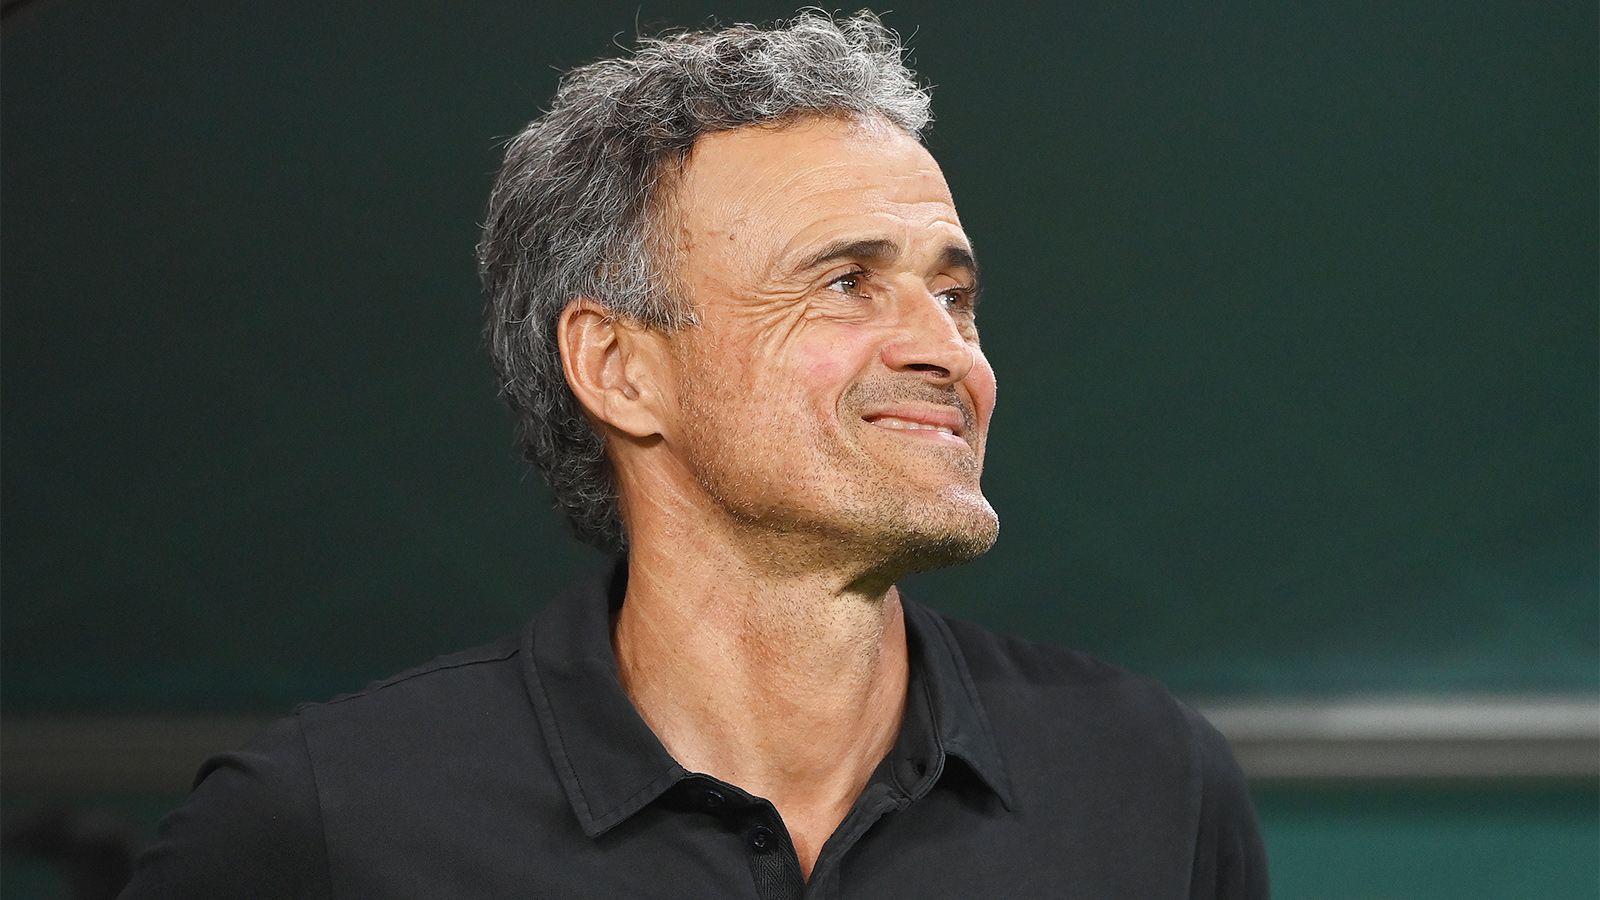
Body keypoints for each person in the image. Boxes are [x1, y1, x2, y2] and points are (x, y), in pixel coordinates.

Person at [121, 12, 1268, 899]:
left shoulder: (1147, 785)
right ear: (619, 368)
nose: (944, 350)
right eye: (845, 282)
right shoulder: (330, 824)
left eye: (954, 295)